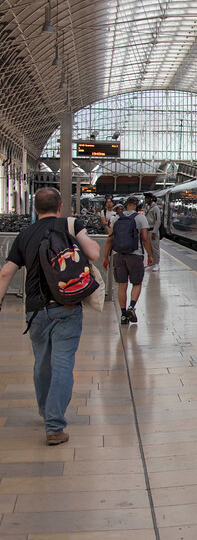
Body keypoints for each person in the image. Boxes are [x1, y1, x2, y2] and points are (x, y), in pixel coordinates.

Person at [0, 188, 101, 445]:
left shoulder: (24, 235)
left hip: (35, 310)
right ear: (60, 207)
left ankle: (46, 411)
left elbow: (5, 273)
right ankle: (54, 426)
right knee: (63, 364)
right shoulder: (70, 225)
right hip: (67, 306)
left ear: (35, 209)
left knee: (42, 363)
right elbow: (94, 254)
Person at [103, 196, 154, 324]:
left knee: (122, 285)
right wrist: (150, 255)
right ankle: (131, 306)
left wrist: (105, 257)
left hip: (119, 255)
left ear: (125, 205)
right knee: (136, 283)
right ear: (137, 206)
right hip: (135, 255)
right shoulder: (140, 218)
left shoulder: (116, 218)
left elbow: (110, 239)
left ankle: (123, 315)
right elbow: (144, 238)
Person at [144, 193, 161, 271]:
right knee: (149, 248)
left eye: (147, 199)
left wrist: (154, 232)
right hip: (147, 230)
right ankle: (151, 263)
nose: (145, 200)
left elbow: (158, 221)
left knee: (155, 248)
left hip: (153, 231)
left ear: (150, 199)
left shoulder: (155, 208)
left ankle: (157, 263)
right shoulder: (147, 207)